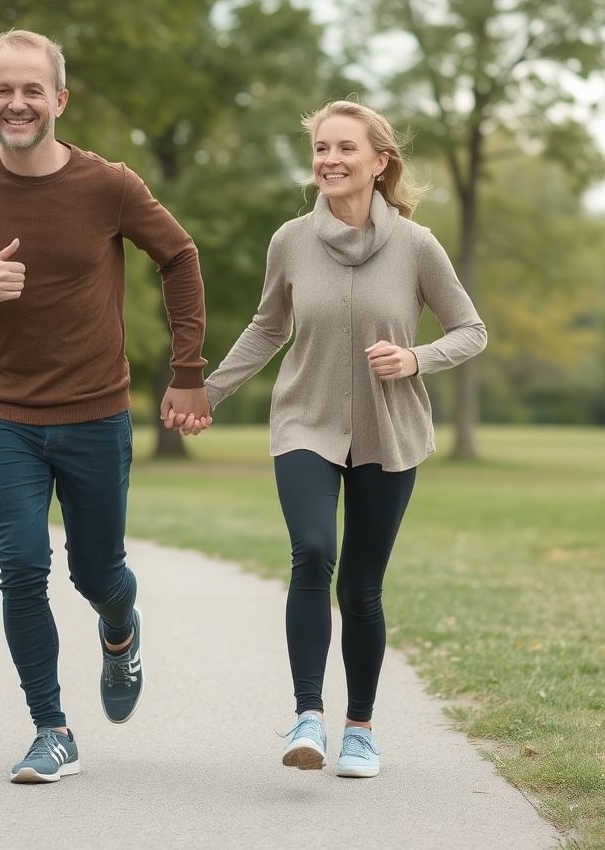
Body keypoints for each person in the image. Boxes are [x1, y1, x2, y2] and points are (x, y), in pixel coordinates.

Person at [0, 29, 211, 784]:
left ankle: (120, 626)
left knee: (97, 572)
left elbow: (180, 256)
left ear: (59, 100)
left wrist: (189, 371)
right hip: (4, 415)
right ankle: (52, 728)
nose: (17, 102)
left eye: (32, 89)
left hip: (96, 415)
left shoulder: (108, 185)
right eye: (3, 90)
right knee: (22, 566)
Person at [183, 100, 486, 778]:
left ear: (380, 163)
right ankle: (308, 718)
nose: (330, 159)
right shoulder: (290, 240)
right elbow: (267, 327)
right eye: (322, 147)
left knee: (361, 588)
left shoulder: (417, 246)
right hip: (305, 422)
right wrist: (210, 391)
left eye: (345, 148)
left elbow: (472, 329)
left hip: (391, 431)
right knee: (312, 552)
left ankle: (361, 730)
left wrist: (416, 359)